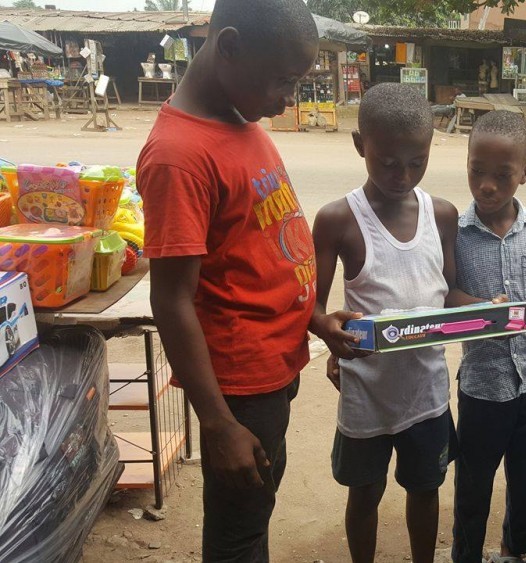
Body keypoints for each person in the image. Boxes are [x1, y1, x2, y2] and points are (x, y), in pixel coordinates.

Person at [135, 0, 318, 560]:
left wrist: (314, 319)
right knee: (238, 536)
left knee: (254, 512)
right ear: (230, 47)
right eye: (283, 81)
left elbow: (259, 245)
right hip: (239, 387)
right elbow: (171, 300)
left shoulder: (241, 120)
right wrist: (217, 423)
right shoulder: (180, 156)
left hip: (273, 365)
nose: (288, 99)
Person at [311, 83, 463, 563]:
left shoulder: (441, 215)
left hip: (426, 394)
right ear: (360, 146)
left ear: (432, 146)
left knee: (425, 490)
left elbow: (451, 293)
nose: (404, 175)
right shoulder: (339, 220)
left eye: (417, 161)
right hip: (367, 397)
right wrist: (326, 331)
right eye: (388, 162)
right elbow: (310, 307)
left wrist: (489, 308)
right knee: (365, 494)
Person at [451, 111, 526, 563]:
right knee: (474, 481)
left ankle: (514, 551)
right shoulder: (457, 234)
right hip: (484, 386)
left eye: (502, 175)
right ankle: (467, 554)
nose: (486, 185)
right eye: (476, 171)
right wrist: (478, 310)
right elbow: (444, 295)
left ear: (524, 173)